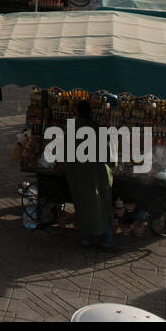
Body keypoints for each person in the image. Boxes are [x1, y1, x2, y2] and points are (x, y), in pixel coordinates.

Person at [67, 100, 115, 248]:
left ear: (77, 112)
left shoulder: (71, 129)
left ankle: (85, 239)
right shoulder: (98, 129)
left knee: (83, 206)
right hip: (98, 175)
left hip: (78, 174)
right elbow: (110, 156)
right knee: (102, 206)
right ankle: (107, 240)